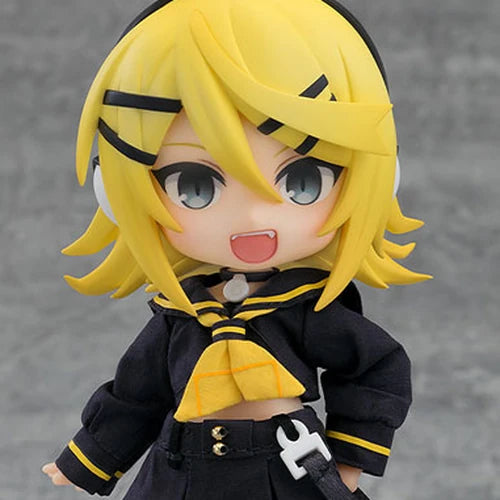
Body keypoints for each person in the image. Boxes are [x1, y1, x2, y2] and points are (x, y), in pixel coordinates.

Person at [42, 0, 430, 498]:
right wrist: (87, 460)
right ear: (114, 192)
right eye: (195, 186)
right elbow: (137, 393)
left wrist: (352, 456)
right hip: (180, 469)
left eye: (303, 180)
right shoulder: (180, 314)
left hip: (285, 466)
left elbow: (376, 367)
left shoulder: (306, 311)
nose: (252, 220)